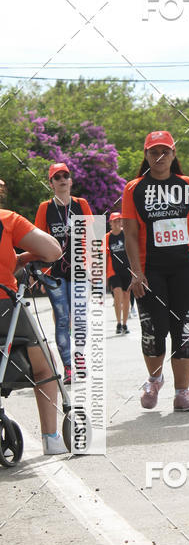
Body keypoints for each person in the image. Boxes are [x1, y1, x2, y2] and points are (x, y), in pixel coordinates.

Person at [122, 131, 189, 411]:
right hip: (149, 271)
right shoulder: (134, 188)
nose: (160, 157)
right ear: (146, 156)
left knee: (184, 331)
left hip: (185, 269)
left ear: (174, 154)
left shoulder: (188, 186)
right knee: (154, 330)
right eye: (154, 152)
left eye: (165, 151)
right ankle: (155, 379)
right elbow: (130, 234)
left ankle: (182, 393)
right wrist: (136, 272)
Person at [0, 204, 66, 454]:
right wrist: (22, 258)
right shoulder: (7, 219)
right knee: (44, 366)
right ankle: (51, 438)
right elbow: (52, 251)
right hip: (4, 308)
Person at [34, 163, 93, 384]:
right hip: (54, 272)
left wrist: (94, 267)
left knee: (78, 318)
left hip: (79, 270)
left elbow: (92, 236)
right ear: (51, 183)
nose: (61, 179)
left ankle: (79, 358)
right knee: (62, 320)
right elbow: (38, 239)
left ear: (70, 180)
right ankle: (68, 366)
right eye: (56, 177)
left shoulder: (81, 204)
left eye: (65, 176)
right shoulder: (45, 208)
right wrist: (40, 271)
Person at [104, 212, 131, 334]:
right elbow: (104, 256)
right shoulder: (107, 237)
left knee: (126, 297)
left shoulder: (126, 234)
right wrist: (103, 275)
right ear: (110, 223)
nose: (117, 223)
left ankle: (125, 324)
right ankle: (118, 323)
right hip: (113, 271)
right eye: (114, 221)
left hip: (127, 270)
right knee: (118, 294)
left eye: (119, 220)